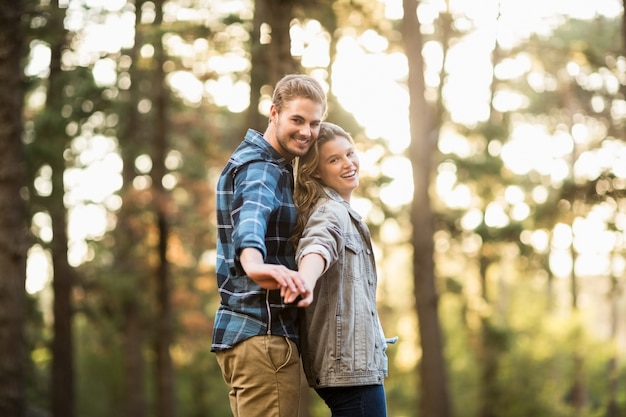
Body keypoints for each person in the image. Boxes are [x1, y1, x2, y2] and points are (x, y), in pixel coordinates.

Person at [212, 74, 327, 417]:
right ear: (274, 113)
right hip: (264, 335)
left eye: (314, 123)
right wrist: (254, 263)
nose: (306, 131)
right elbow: (253, 217)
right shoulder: (262, 167)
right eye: (297, 120)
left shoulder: (262, 162)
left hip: (247, 338)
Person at [289, 122, 395, 417]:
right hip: (350, 369)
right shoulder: (330, 212)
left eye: (350, 154)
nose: (348, 164)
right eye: (334, 159)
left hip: (352, 365)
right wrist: (305, 280)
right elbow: (318, 245)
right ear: (316, 172)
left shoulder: (342, 211)